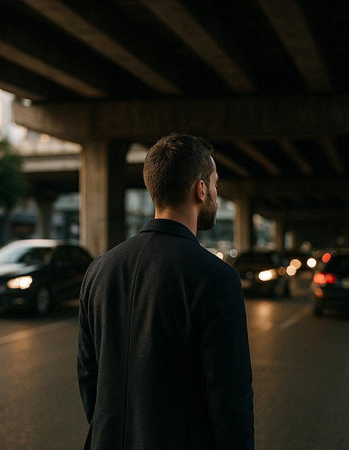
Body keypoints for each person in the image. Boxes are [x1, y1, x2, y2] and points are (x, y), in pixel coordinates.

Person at [77, 133, 254, 449]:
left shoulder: (99, 270)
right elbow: (229, 399)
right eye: (214, 183)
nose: (215, 191)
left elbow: (90, 378)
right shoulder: (217, 278)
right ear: (200, 190)